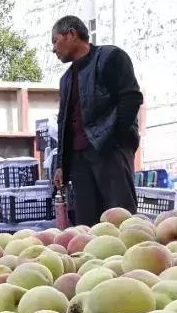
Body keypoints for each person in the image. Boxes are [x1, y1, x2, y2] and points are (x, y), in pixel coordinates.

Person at [51, 15, 143, 225]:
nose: (53, 49)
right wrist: (61, 164)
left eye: (55, 40)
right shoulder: (66, 79)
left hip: (109, 153)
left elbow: (131, 98)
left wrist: (115, 141)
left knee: (120, 220)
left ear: (72, 34)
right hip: (79, 161)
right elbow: (63, 122)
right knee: (87, 226)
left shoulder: (110, 57)